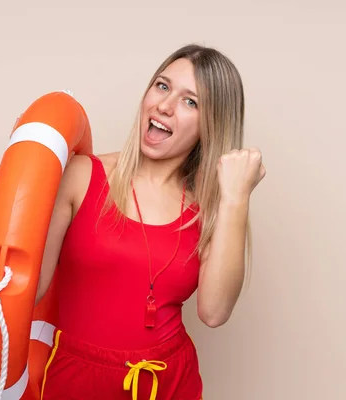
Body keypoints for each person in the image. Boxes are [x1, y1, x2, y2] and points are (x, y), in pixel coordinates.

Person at [35, 43, 266, 400]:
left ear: (210, 125)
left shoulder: (209, 210)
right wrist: (23, 175)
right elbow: (28, 291)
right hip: (75, 378)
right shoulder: (81, 175)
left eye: (191, 101)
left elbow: (215, 312)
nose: (165, 105)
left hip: (169, 382)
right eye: (162, 86)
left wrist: (235, 198)